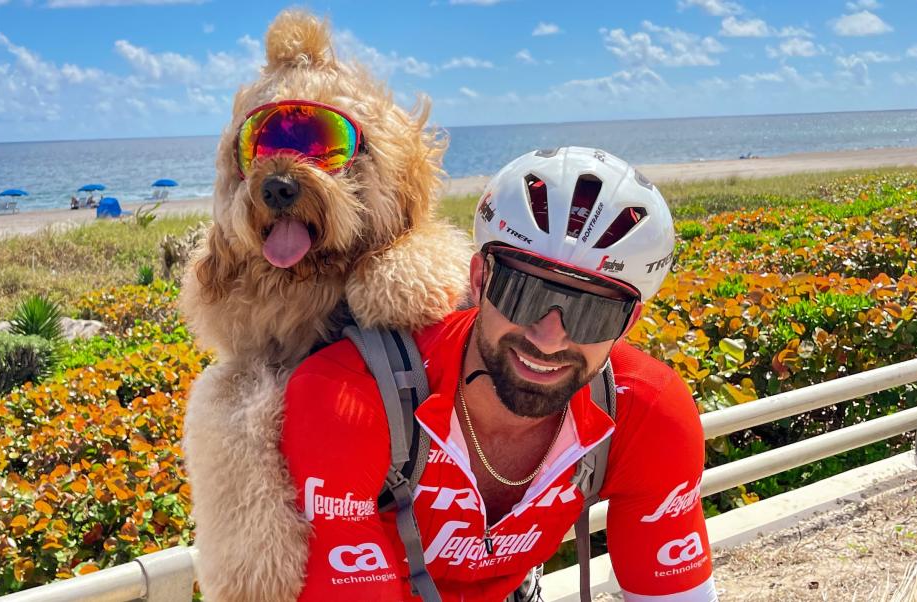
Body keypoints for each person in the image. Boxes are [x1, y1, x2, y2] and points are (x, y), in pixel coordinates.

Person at [281, 148, 716, 601]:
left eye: (591, 313)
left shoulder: (646, 409)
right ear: (479, 279)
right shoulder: (345, 396)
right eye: (523, 293)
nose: (549, 338)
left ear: (627, 324)